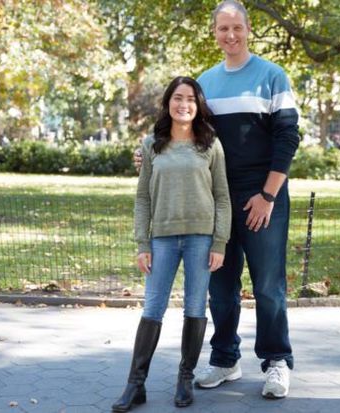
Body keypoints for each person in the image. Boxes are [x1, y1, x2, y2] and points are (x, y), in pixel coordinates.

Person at [133, 0, 299, 398]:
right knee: (220, 289)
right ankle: (225, 358)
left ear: (248, 29)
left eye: (237, 28)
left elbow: (288, 138)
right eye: (223, 29)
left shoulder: (273, 77)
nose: (231, 35)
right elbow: (186, 134)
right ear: (215, 33)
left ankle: (277, 361)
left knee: (268, 286)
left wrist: (267, 195)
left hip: (264, 198)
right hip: (216, 201)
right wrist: (149, 152)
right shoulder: (205, 83)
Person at [112, 76, 230, 412]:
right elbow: (142, 198)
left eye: (190, 99)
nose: (184, 104)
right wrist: (141, 242)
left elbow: (222, 197)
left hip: (201, 238)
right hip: (161, 239)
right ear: (168, 103)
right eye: (178, 98)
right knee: (152, 309)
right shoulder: (152, 144)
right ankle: (135, 386)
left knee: (195, 307)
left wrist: (219, 241)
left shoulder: (210, 145)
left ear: (198, 104)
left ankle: (184, 379)